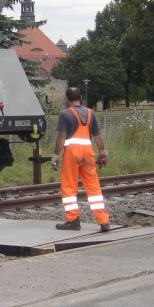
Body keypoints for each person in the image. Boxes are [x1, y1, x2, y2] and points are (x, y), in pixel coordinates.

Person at [51, 87, 110, 232]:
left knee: (69, 186)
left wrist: (55, 156)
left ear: (67, 99)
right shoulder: (91, 113)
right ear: (80, 98)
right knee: (93, 187)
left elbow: (61, 137)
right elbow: (97, 137)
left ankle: (73, 220)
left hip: (72, 153)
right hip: (88, 152)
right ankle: (103, 221)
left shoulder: (65, 114)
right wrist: (102, 153)